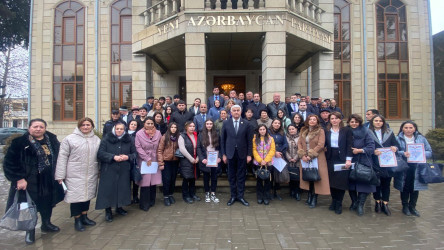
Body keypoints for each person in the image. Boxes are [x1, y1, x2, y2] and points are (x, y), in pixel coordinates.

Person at [3, 119, 64, 244]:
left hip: (48, 178)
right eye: (35, 126)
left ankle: (46, 223)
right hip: (29, 181)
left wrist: (60, 174)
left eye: (41, 127)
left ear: (45, 128)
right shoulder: (19, 143)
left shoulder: (51, 140)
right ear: (29, 128)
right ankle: (30, 230)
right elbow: (9, 163)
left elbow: (60, 158)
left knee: (48, 202)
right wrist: (19, 179)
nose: (38, 129)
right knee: (29, 205)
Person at [55, 118, 100, 232]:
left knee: (87, 195)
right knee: (75, 197)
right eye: (83, 125)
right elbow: (62, 157)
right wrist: (60, 175)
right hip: (74, 174)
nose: (85, 127)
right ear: (79, 126)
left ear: (92, 126)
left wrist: (100, 170)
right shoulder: (69, 139)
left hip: (90, 172)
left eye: (88, 125)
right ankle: (77, 219)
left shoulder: (96, 139)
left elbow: (99, 156)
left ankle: (85, 216)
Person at [96, 123, 136, 222]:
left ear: (124, 130)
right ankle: (108, 210)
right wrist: (113, 157)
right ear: (114, 129)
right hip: (109, 168)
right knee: (109, 189)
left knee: (122, 188)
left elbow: (134, 153)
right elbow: (100, 153)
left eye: (121, 129)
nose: (119, 130)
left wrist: (128, 157)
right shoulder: (106, 139)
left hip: (123, 168)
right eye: (117, 129)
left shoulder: (128, 139)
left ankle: (119, 207)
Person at [397, 121, 433, 217]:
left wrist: (421, 153)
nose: (408, 130)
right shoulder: (398, 139)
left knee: (415, 186)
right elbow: (395, 152)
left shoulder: (421, 138)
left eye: (411, 127)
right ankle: (405, 206)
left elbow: (429, 151)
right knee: (405, 186)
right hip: (404, 166)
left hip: (417, 166)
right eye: (406, 127)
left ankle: (412, 206)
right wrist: (403, 153)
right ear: (402, 129)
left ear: (415, 128)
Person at [221, 105, 253, 206]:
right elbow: (222, 140)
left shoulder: (247, 124)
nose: (236, 112)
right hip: (230, 154)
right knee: (231, 176)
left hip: (242, 154)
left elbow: (249, 141)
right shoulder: (226, 123)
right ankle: (233, 196)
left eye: (238, 110)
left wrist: (249, 154)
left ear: (241, 111)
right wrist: (223, 154)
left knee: (241, 176)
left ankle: (240, 196)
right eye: (234, 110)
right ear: (231, 112)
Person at [368, 114, 399, 216]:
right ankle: (377, 202)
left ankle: (385, 203)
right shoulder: (368, 132)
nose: (378, 122)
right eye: (376, 120)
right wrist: (373, 151)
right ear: (372, 122)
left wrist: (395, 148)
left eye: (380, 121)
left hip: (387, 161)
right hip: (375, 161)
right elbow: (366, 146)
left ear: (383, 122)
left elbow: (396, 144)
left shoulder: (389, 132)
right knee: (377, 183)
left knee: (386, 183)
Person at [297, 114, 330, 208]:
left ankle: (314, 198)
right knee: (308, 177)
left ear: (317, 121)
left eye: (314, 119)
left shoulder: (320, 131)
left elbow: (321, 145)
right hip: (304, 157)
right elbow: (299, 142)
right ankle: (309, 196)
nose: (312, 121)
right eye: (310, 119)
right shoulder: (303, 130)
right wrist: (302, 154)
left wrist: (310, 155)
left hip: (317, 157)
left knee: (316, 177)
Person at [325, 112, 353, 215]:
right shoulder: (327, 131)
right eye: (332, 118)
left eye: (336, 118)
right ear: (330, 120)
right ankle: (334, 201)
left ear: (340, 119)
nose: (334, 120)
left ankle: (339, 203)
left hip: (342, 158)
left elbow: (350, 145)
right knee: (332, 182)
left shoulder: (346, 131)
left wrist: (348, 159)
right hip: (330, 157)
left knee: (341, 182)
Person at [347, 114, 376, 216]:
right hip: (350, 161)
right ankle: (354, 202)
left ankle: (360, 204)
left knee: (363, 184)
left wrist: (360, 150)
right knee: (351, 184)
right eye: (352, 122)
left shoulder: (366, 132)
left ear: (359, 122)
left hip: (363, 161)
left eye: (356, 122)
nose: (354, 124)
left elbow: (371, 147)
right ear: (349, 122)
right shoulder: (346, 131)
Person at [135, 117, 162, 211]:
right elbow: (138, 147)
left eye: (151, 123)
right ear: (144, 124)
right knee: (145, 183)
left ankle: (152, 201)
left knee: (153, 182)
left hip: (155, 159)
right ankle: (144, 204)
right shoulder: (139, 134)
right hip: (144, 160)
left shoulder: (158, 133)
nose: (150, 125)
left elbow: (160, 146)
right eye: (148, 123)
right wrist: (146, 158)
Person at [197, 119, 221, 203]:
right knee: (206, 177)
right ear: (205, 125)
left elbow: (220, 147)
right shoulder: (201, 135)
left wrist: (219, 157)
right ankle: (207, 193)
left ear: (213, 125)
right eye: (207, 124)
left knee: (214, 177)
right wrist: (202, 158)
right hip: (205, 159)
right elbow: (198, 148)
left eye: (211, 124)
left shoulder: (217, 134)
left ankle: (213, 193)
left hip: (214, 159)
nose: (209, 125)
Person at [157, 122, 180, 206]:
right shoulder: (164, 137)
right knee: (167, 179)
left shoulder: (178, 137)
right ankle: (166, 196)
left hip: (175, 161)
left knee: (173, 179)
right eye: (172, 127)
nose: (173, 129)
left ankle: (170, 194)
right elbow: (160, 150)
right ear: (169, 128)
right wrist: (161, 163)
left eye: (175, 127)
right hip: (166, 161)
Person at [252, 124, 276, 205]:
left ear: (266, 130)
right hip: (258, 163)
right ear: (258, 131)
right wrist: (260, 160)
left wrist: (265, 160)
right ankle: (259, 196)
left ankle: (266, 196)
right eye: (260, 129)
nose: (262, 131)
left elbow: (272, 150)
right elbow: (254, 150)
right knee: (259, 181)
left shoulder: (270, 139)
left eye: (263, 129)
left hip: (268, 163)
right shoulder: (255, 139)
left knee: (267, 181)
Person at [178, 121, 201, 203]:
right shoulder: (182, 136)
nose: (192, 127)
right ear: (186, 127)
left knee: (193, 178)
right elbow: (182, 149)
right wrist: (191, 159)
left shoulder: (196, 135)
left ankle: (192, 194)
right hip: (186, 159)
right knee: (186, 178)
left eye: (193, 126)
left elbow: (199, 147)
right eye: (190, 126)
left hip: (195, 159)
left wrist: (198, 157)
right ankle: (186, 195)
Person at [268, 118, 288, 200]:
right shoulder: (268, 132)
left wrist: (280, 152)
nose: (277, 124)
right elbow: (267, 144)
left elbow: (285, 144)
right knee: (271, 175)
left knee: (278, 175)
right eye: (275, 123)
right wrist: (274, 152)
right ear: (272, 124)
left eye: (278, 123)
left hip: (279, 156)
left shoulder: (282, 133)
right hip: (270, 156)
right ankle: (270, 192)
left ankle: (277, 192)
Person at [286, 124, 301, 201]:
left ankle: (297, 192)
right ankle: (291, 190)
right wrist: (289, 158)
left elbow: (301, 149)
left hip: (297, 160)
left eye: (293, 129)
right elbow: (285, 149)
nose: (291, 130)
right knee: (290, 175)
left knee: (297, 177)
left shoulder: (300, 137)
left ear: (296, 129)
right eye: (290, 129)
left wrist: (295, 158)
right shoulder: (286, 138)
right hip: (288, 160)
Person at [127, 120, 140, 204]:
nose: (133, 126)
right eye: (132, 124)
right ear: (128, 125)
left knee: (136, 179)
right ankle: (127, 198)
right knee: (127, 180)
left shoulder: (138, 135)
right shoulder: (124, 134)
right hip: (126, 159)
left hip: (136, 159)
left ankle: (135, 197)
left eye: (135, 125)